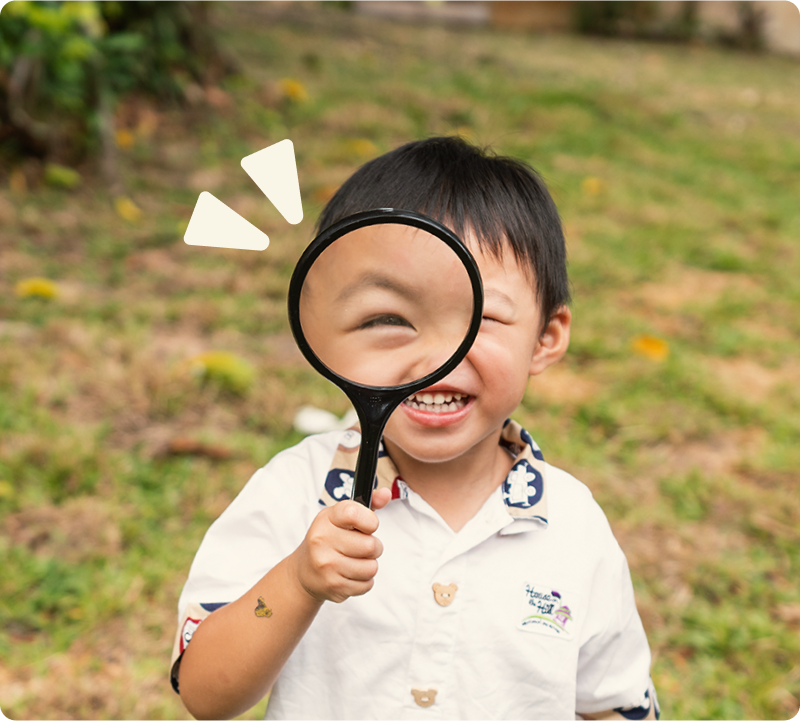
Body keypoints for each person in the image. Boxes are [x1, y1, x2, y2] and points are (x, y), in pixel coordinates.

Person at [170, 136, 661, 721]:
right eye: (388, 318)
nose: (436, 359)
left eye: (479, 319)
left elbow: (615, 703)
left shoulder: (574, 528)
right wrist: (298, 582)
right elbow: (204, 693)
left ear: (546, 338)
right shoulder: (293, 490)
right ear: (326, 331)